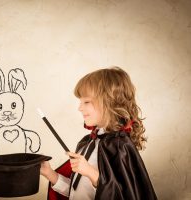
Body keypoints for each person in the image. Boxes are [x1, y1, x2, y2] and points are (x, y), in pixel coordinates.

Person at [40, 67, 157, 200]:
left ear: (108, 102)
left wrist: (90, 172)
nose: (79, 108)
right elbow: (77, 192)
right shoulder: (87, 142)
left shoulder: (120, 146)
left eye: (86, 102)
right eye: (80, 102)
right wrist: (49, 173)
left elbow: (121, 195)